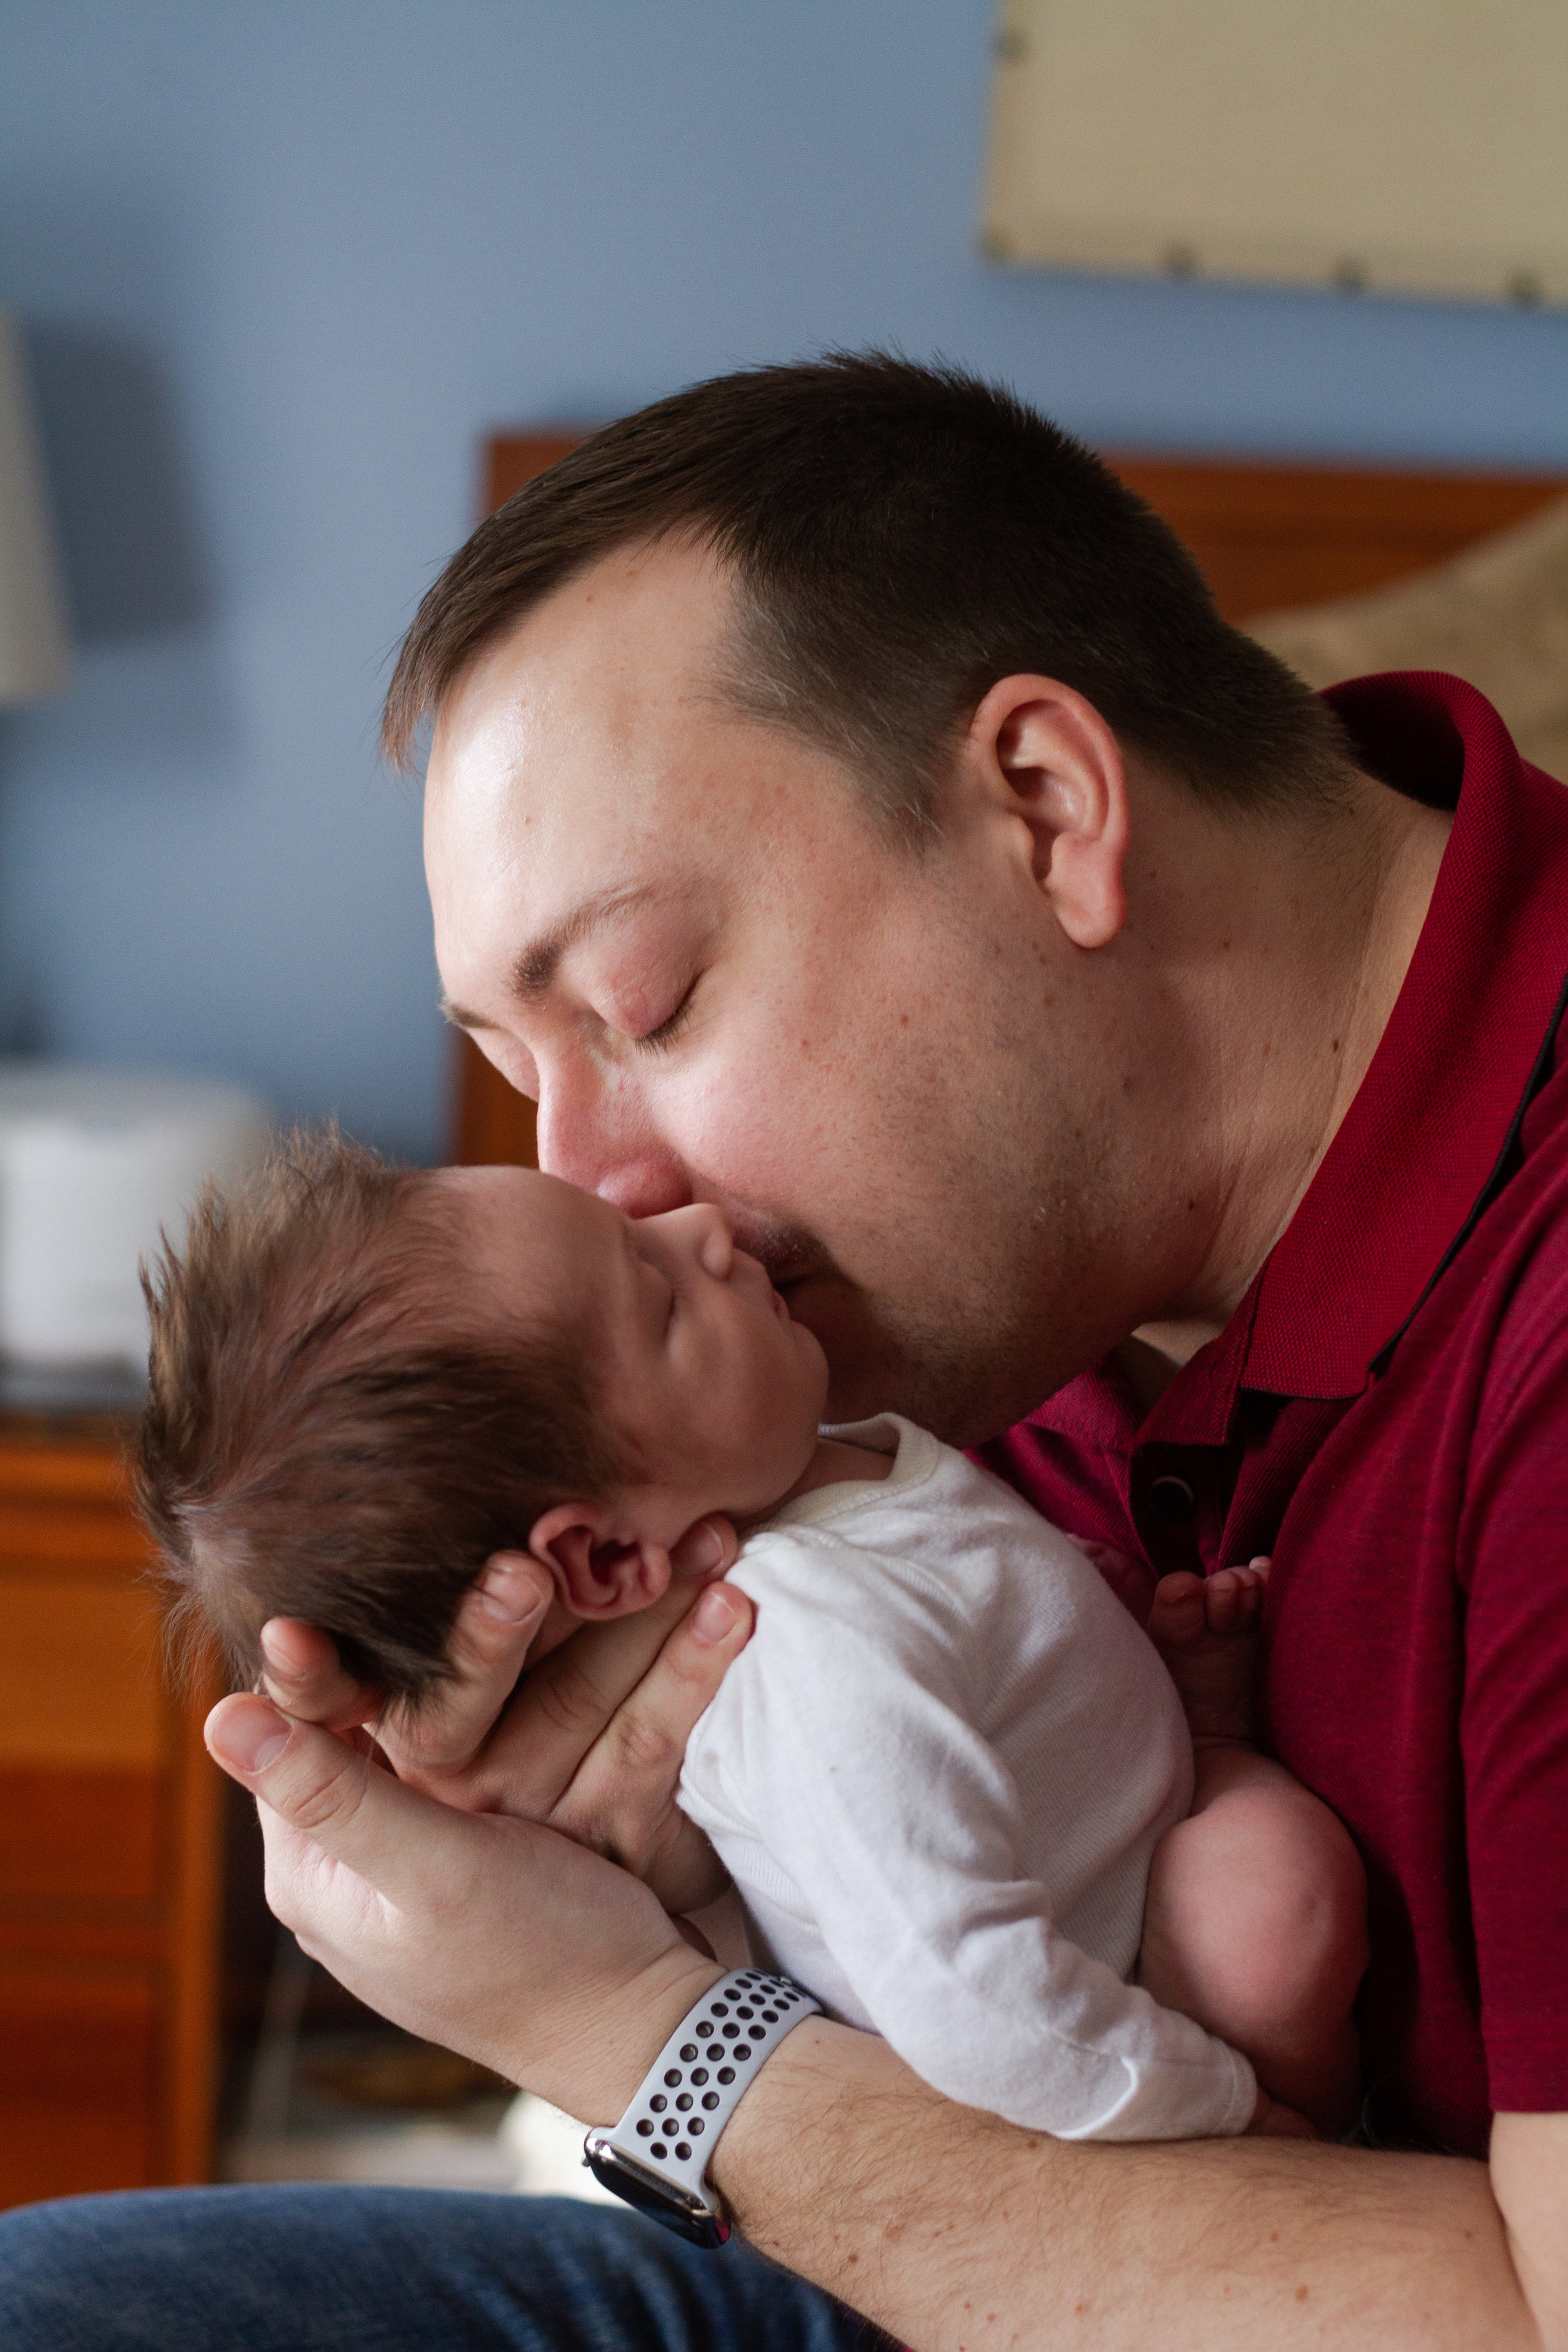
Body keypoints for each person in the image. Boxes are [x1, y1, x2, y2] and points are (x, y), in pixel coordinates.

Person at [4, 355, 1565, 2351]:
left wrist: (637, 2023)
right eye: (518, 1080)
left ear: (1045, 807)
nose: (606, 1184)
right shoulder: (1008, 1269)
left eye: (642, 1008)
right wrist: (652, 1874)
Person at [137, 1128, 1364, 2141]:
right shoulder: (816, 1653)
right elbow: (967, 2001)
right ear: (609, 1558)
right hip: (1110, 2026)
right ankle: (1315, 2119)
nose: (694, 1224)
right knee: (1273, 1896)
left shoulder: (806, 1448)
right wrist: (1225, 2119)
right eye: (658, 1297)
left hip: (1127, 1811)